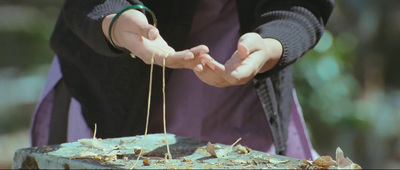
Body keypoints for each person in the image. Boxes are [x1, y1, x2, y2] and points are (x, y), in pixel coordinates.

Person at [30, 0, 334, 160]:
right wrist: (113, 20)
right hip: (108, 94)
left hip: (243, 94)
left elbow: (301, 3)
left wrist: (271, 45)